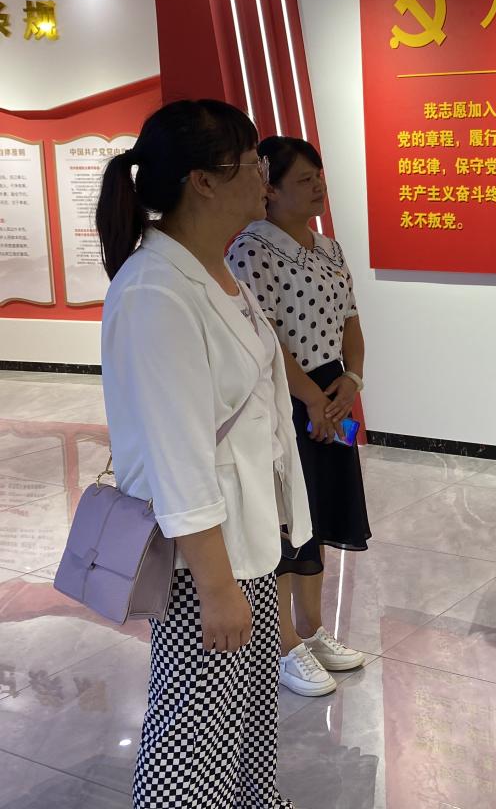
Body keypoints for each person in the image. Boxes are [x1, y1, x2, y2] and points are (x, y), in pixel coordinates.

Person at [96, 99, 309, 808]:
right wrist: (217, 587)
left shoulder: (216, 272)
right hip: (201, 561)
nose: (264, 179)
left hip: (247, 540)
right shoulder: (156, 290)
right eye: (251, 164)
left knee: (245, 713)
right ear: (204, 181)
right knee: (195, 727)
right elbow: (176, 455)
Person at [229, 136, 369, 697]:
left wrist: (350, 382)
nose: (318, 187)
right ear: (270, 187)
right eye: (304, 179)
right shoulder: (251, 249)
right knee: (289, 519)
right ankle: (284, 644)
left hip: (333, 393)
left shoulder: (330, 248)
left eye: (319, 176)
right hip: (285, 397)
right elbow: (264, 337)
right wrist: (311, 399)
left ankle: (312, 631)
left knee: (327, 508)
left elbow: (352, 319)